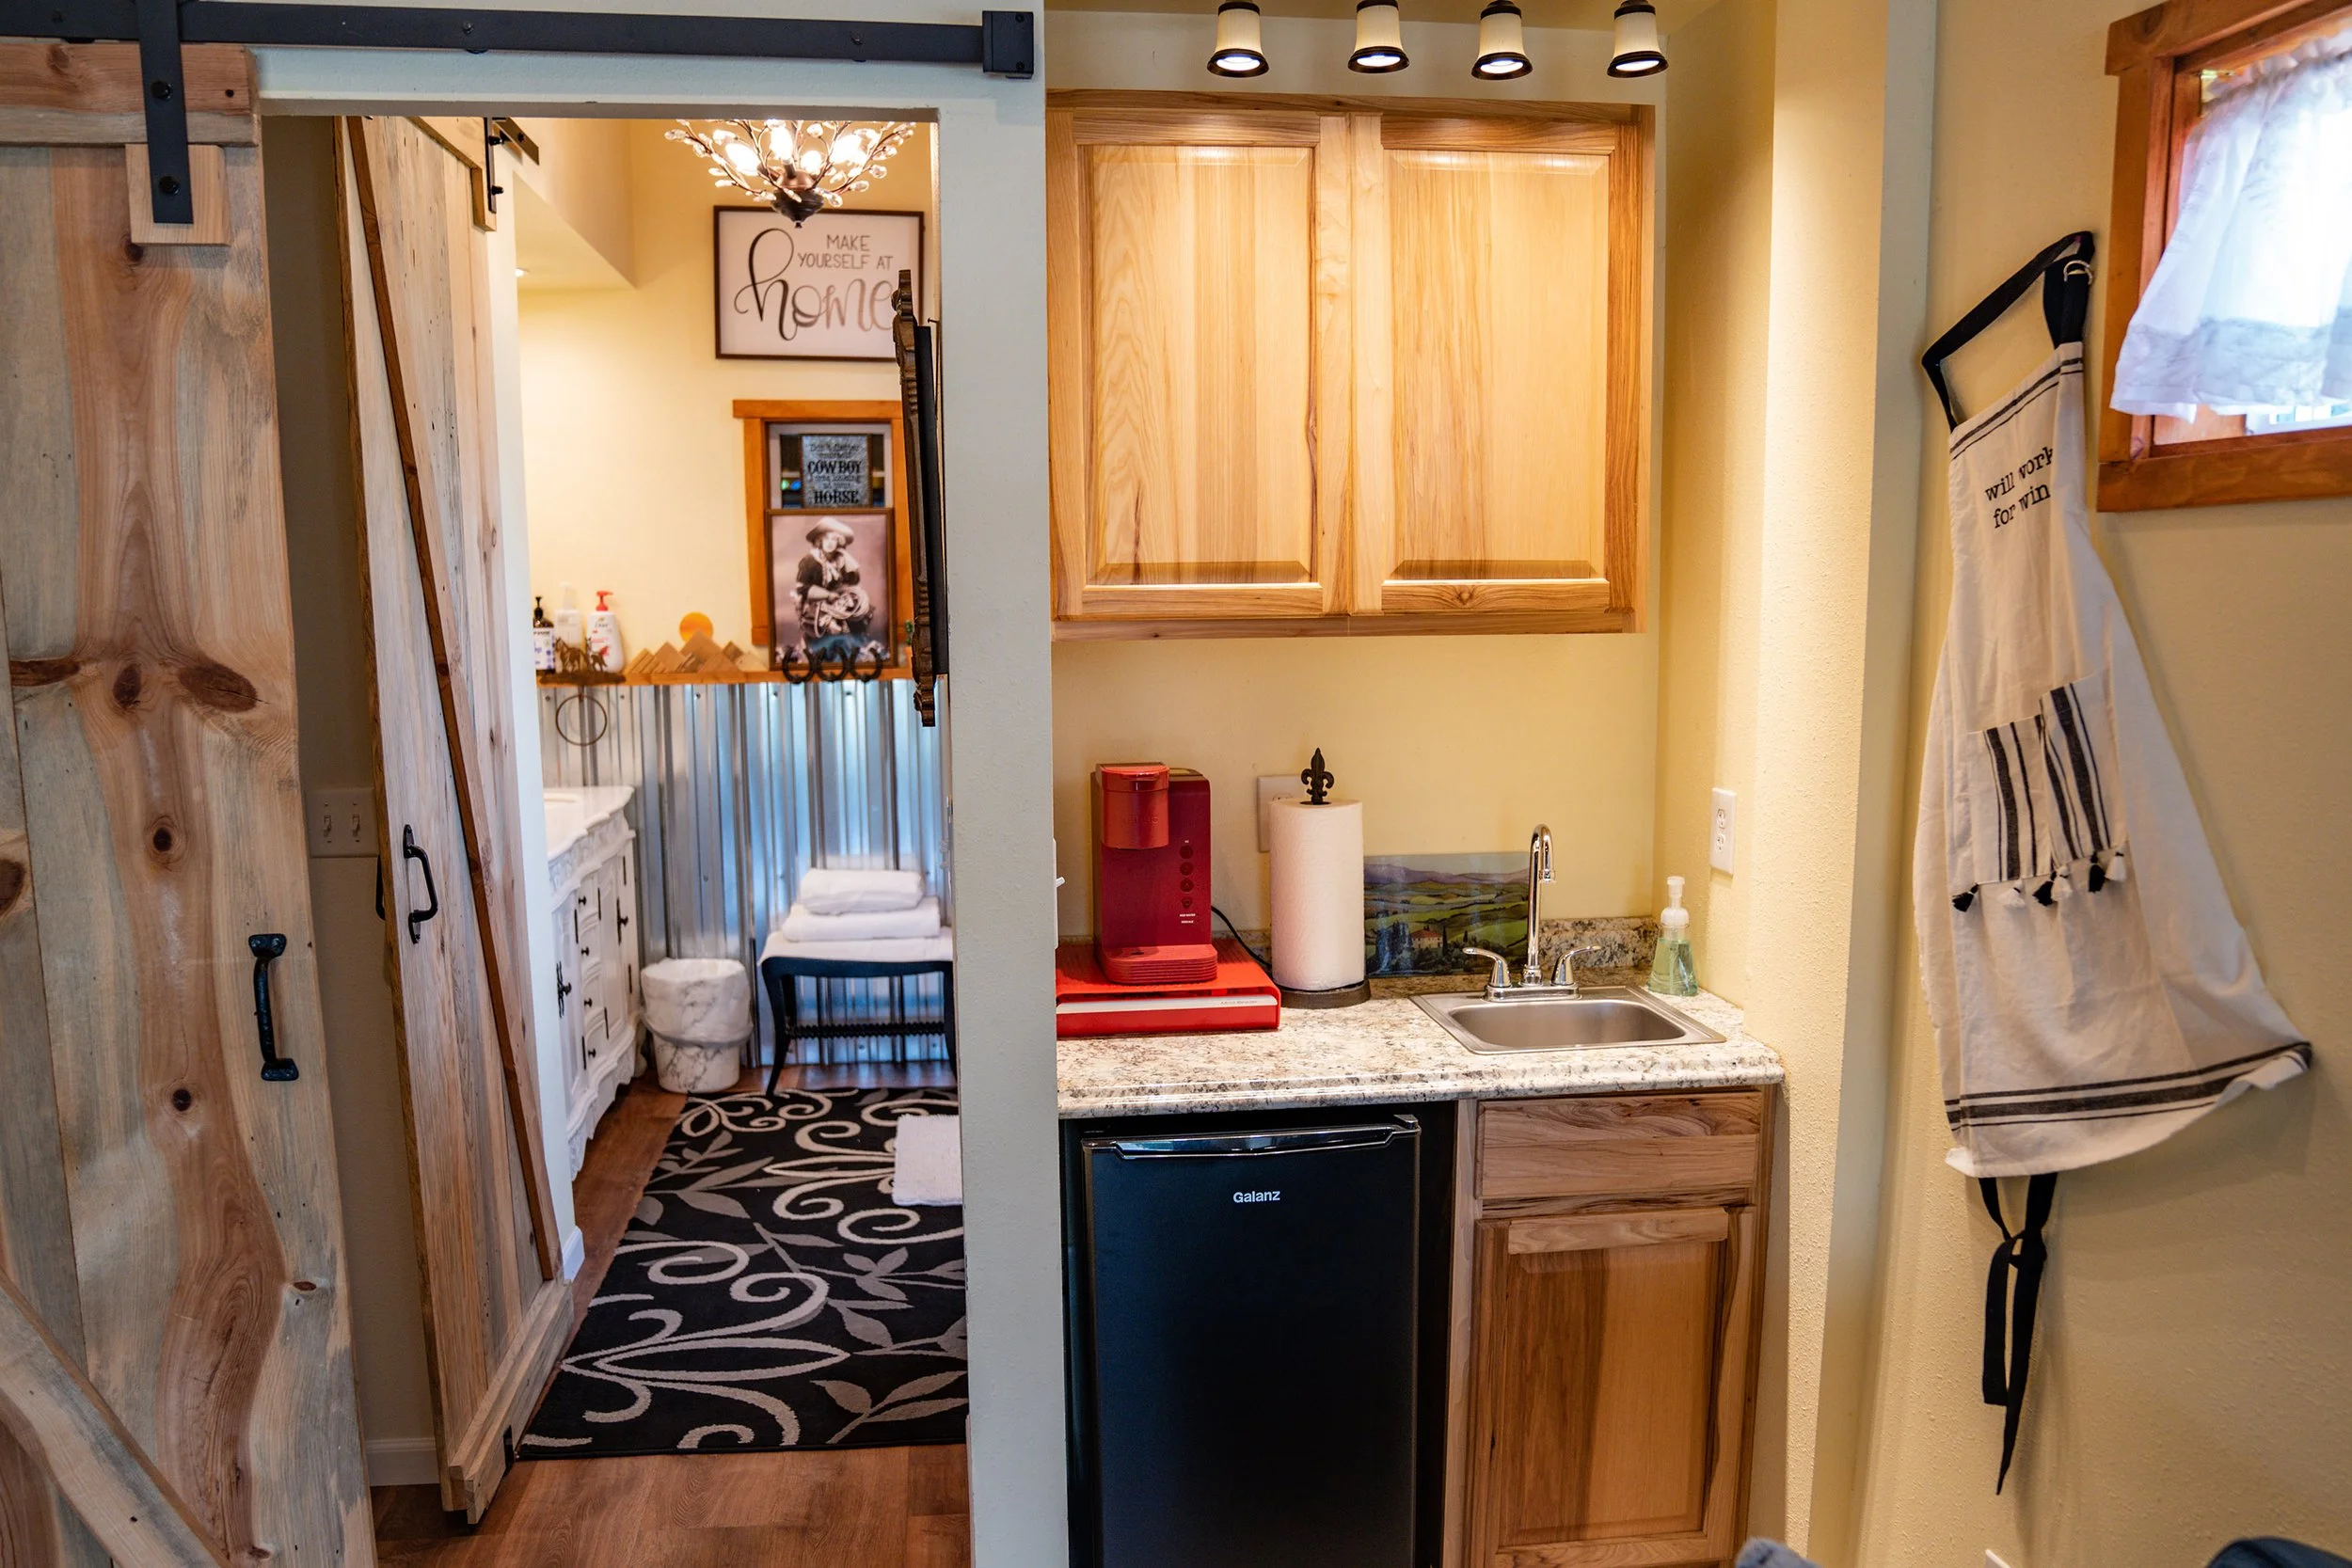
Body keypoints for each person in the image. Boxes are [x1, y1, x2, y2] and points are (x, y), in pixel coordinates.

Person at [792, 519, 876, 655]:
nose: (830, 543)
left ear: (839, 542)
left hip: (836, 601)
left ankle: (855, 653)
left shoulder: (839, 559)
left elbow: (853, 581)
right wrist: (827, 595)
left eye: (834, 539)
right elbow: (801, 588)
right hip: (814, 605)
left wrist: (847, 559)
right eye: (827, 539)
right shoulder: (810, 561)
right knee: (832, 628)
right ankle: (826, 656)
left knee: (861, 614)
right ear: (820, 541)